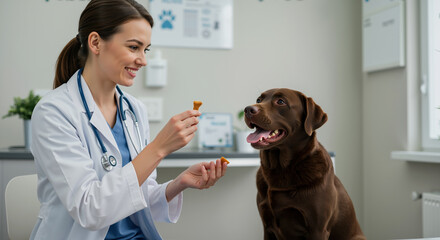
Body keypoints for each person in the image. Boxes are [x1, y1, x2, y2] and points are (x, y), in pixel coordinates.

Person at [29, 0, 228, 239]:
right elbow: (90, 210)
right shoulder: (54, 112)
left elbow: (137, 199)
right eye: (134, 47)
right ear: (95, 43)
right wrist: (159, 148)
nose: (143, 60)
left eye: (146, 50)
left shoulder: (134, 110)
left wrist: (179, 183)